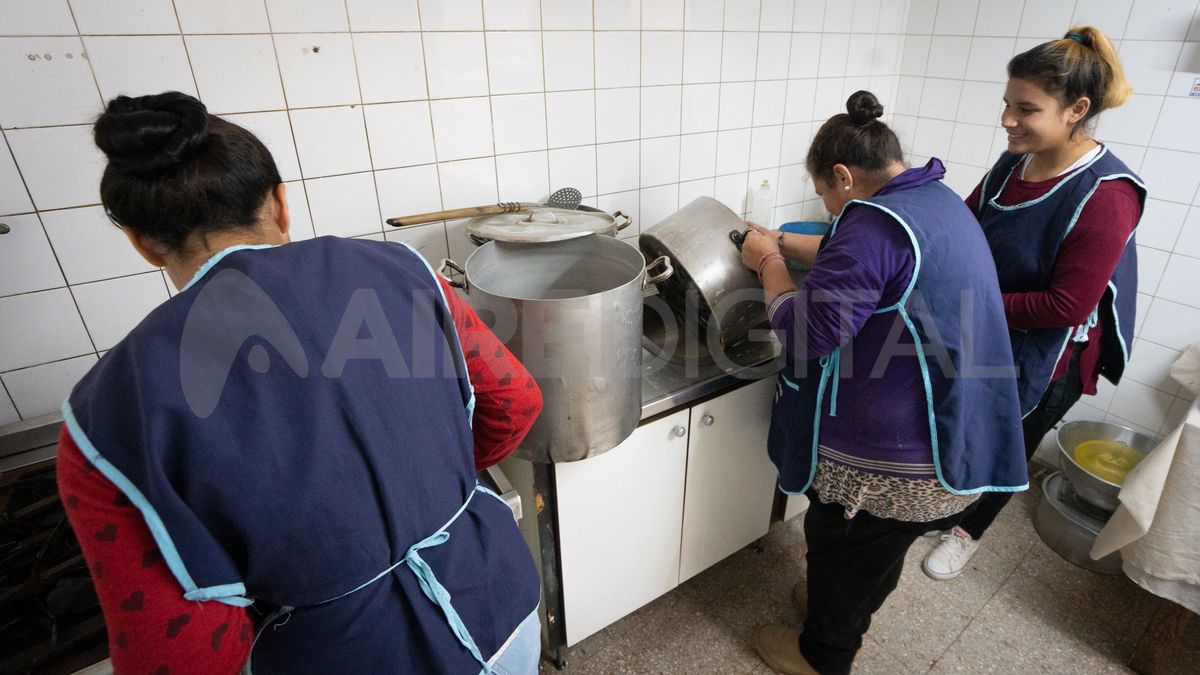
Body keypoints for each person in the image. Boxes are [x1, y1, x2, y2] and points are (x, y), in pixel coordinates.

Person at [56, 91, 544, 673]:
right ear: (280, 203)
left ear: (142, 243)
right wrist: (437, 479)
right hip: (500, 612)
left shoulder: (107, 413)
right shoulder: (403, 271)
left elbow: (181, 653)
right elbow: (515, 401)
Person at [740, 91, 1027, 675]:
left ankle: (823, 654)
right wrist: (780, 240)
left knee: (843, 545)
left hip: (895, 461)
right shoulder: (932, 198)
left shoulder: (872, 225)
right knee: (876, 550)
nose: (829, 206)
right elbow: (859, 254)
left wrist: (770, 265)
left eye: (825, 193)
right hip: (952, 429)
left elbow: (807, 333)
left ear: (843, 176)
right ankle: (839, 614)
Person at [923, 26, 1145, 582]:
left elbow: (1065, 305)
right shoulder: (1014, 164)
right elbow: (962, 226)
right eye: (1006, 104)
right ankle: (948, 506)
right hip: (991, 324)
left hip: (1049, 354)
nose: (1007, 120)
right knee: (965, 422)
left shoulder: (1107, 194)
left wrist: (966, 301)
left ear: (1077, 110)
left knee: (1008, 443)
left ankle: (967, 533)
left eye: (1026, 109)